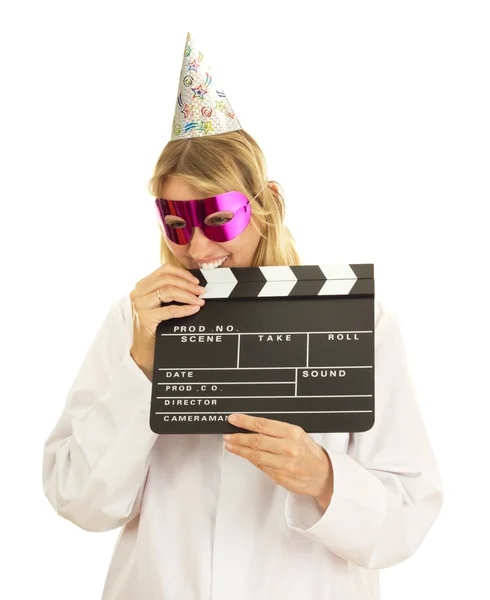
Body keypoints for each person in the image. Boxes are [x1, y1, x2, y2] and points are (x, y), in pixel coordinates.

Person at [42, 33, 444, 600]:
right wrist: (142, 365)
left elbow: (409, 518)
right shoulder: (134, 322)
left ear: (266, 204)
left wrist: (325, 479)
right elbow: (78, 499)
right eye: (178, 225)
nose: (200, 247)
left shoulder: (361, 324)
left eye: (219, 218)